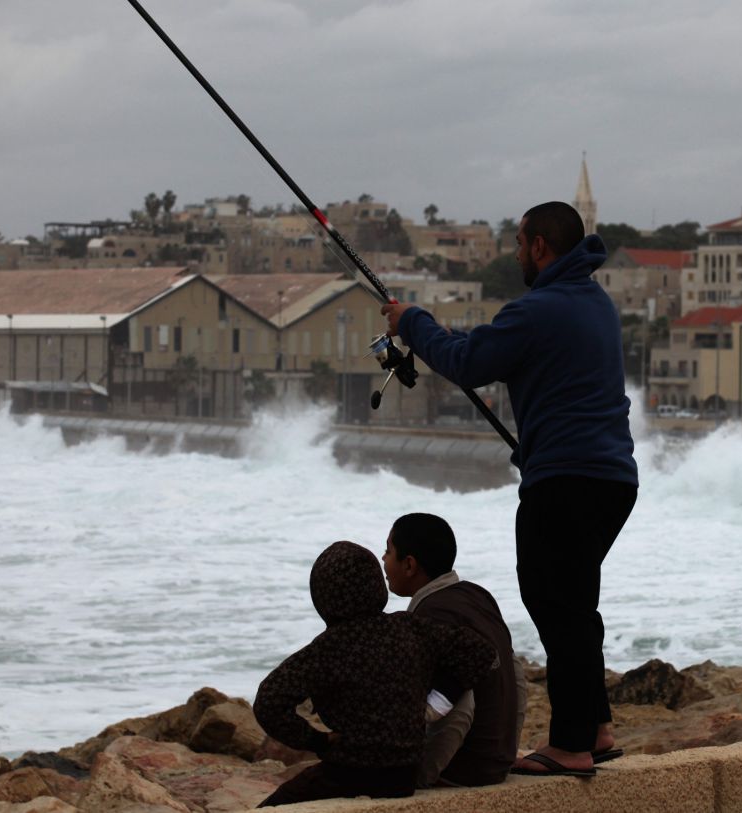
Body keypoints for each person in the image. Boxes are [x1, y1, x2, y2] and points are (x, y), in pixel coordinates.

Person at [381, 201, 638, 777]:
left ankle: (571, 746)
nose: (516, 252)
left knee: (556, 604)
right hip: (611, 478)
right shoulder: (596, 305)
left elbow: (467, 361)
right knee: (576, 603)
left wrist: (411, 321)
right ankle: (595, 727)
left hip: (565, 481)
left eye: (520, 243)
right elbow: (564, 387)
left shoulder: (539, 309)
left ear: (540, 246)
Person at [252, 540, 496, 805]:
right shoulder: (410, 628)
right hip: (404, 776)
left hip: (347, 772)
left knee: (272, 805)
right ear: (376, 586)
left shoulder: (328, 649)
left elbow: (268, 701)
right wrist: (440, 700)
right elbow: (482, 651)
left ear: (322, 596)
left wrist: (317, 741)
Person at [381, 512, 527, 787]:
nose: (383, 560)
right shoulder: (477, 595)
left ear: (409, 564)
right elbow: (514, 679)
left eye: (388, 551)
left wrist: (418, 779)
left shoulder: (430, 616)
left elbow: (459, 705)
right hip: (496, 762)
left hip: (462, 772)